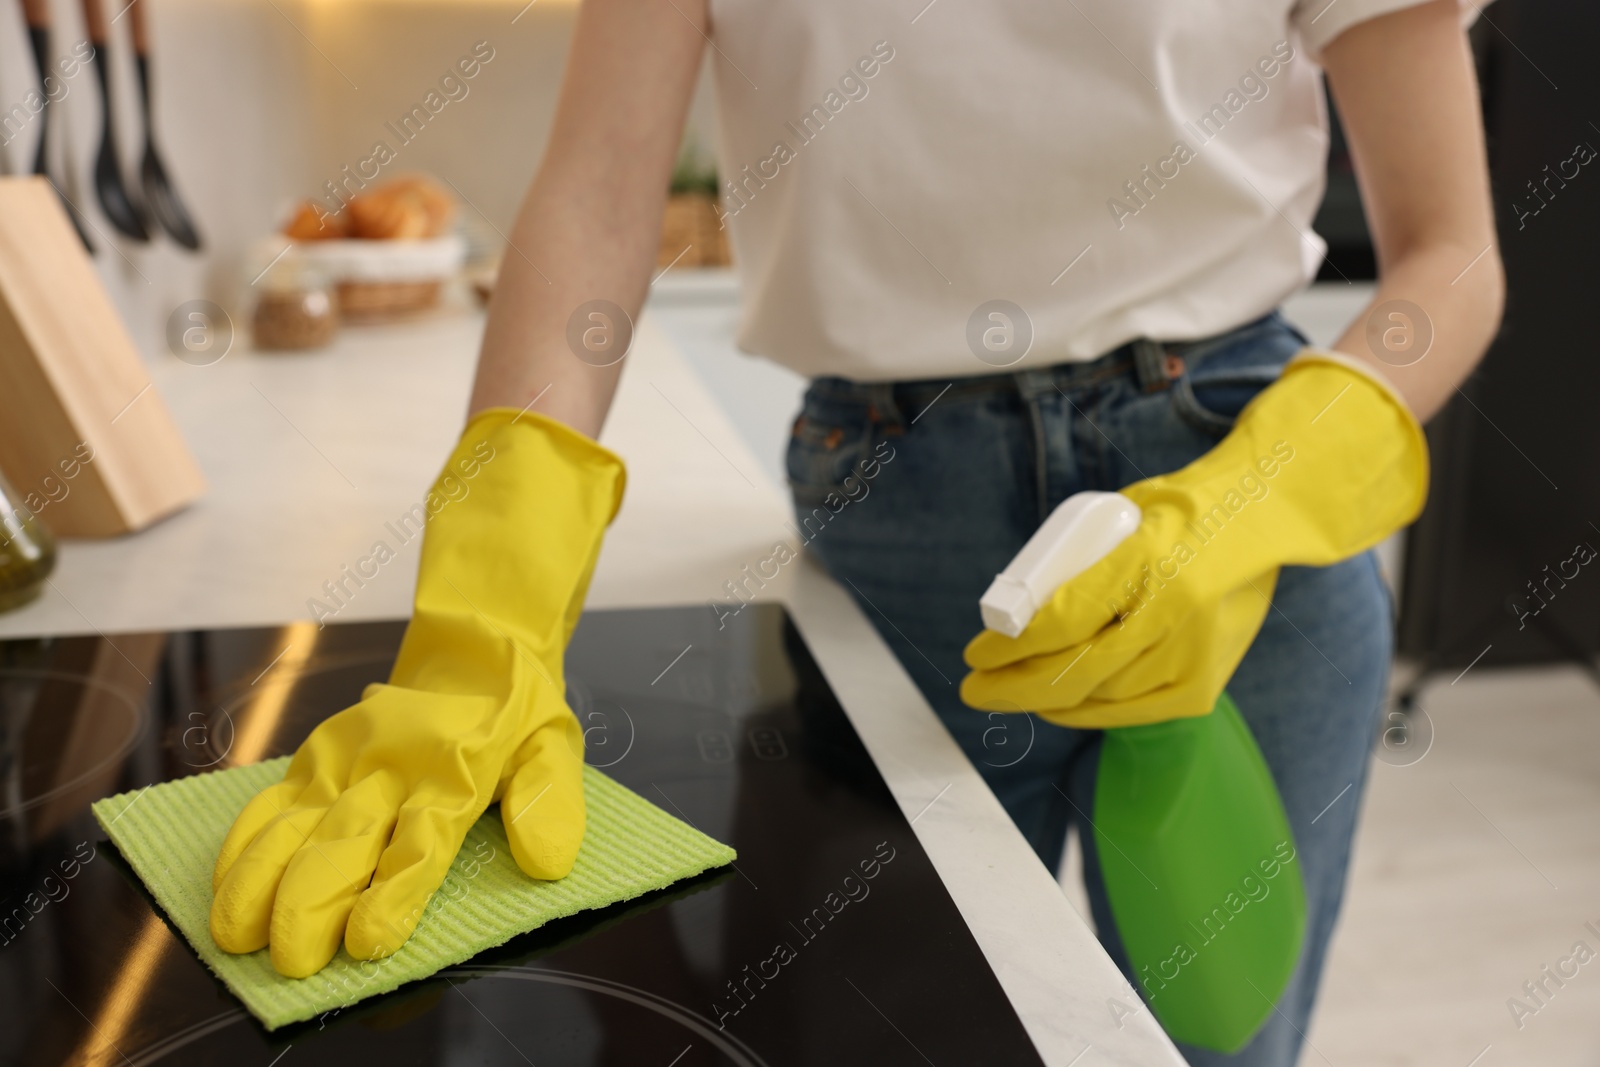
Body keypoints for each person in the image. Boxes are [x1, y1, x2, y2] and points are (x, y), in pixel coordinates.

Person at [208, 0, 1503, 1062]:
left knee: (1215, 1043)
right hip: (897, 512)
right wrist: (487, 614)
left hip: (1244, 484)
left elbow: (1451, 255)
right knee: (893, 1033)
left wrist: (1251, 506)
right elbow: (602, 202)